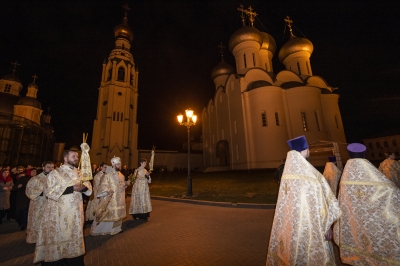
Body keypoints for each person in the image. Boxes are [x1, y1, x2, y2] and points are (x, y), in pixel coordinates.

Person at [266, 135, 341, 265]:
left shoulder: (287, 174)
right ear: (305, 150)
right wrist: (327, 226)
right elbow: (321, 203)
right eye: (308, 149)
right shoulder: (310, 174)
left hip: (291, 227)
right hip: (311, 227)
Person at [333, 143, 400, 265]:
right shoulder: (370, 171)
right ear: (364, 154)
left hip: (355, 218)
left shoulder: (346, 174)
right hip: (371, 216)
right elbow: (390, 191)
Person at [34, 150, 92, 265]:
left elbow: (88, 189)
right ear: (65, 158)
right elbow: (48, 191)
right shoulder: (56, 173)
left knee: (74, 237)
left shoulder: (80, 173)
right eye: (73, 156)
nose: (76, 158)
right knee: (60, 237)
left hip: (76, 213)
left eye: (77, 156)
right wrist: (71, 188)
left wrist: (83, 188)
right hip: (60, 214)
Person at [91, 157, 128, 236]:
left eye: (120, 164)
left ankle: (117, 229)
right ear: (114, 165)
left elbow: (121, 185)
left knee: (118, 214)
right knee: (111, 215)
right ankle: (103, 230)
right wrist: (108, 190)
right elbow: (103, 185)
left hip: (120, 198)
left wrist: (126, 184)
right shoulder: (108, 175)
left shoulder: (121, 175)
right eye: (118, 164)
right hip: (112, 199)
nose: (120, 165)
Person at [25, 161, 54, 243]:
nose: (51, 169)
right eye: (48, 167)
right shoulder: (35, 179)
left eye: (52, 167)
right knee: (37, 222)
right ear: (43, 167)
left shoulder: (56, 179)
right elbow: (28, 190)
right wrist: (41, 193)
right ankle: (36, 239)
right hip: (38, 205)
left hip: (51, 205)